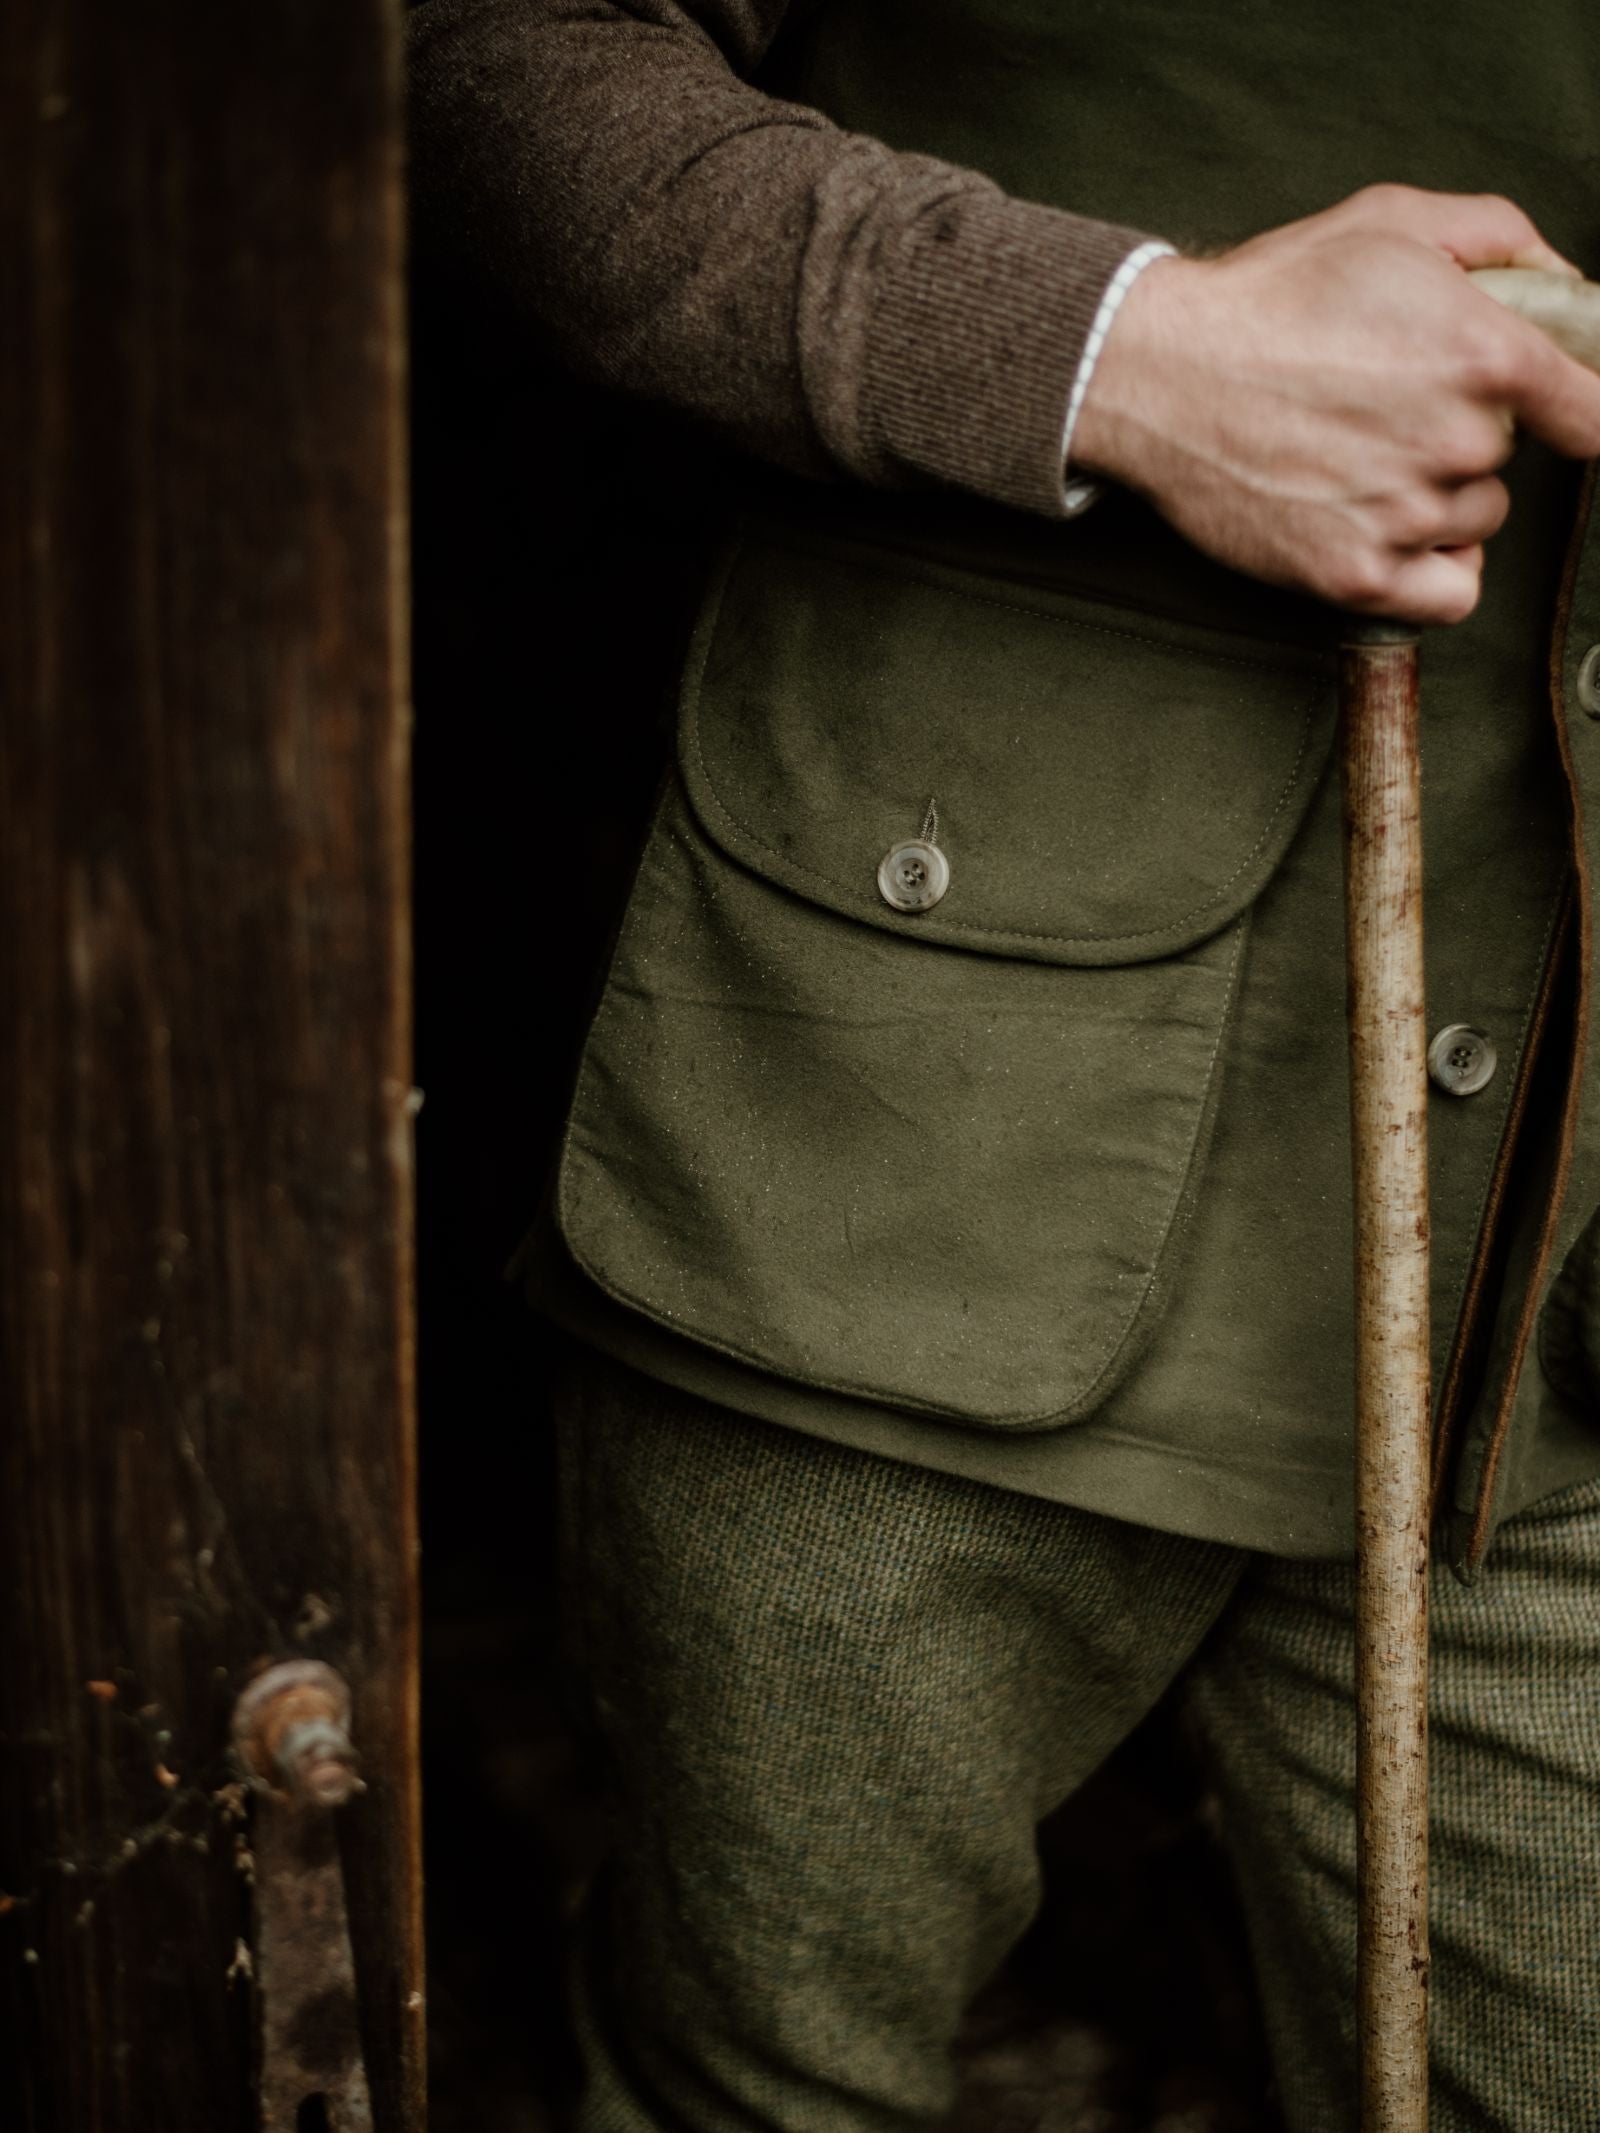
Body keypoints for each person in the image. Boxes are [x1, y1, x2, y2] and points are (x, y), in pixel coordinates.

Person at [406, 4, 1600, 2127]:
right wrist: (1120, 352)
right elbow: (484, 51)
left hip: (1563, 1284)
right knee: (753, 2081)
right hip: (928, 1098)